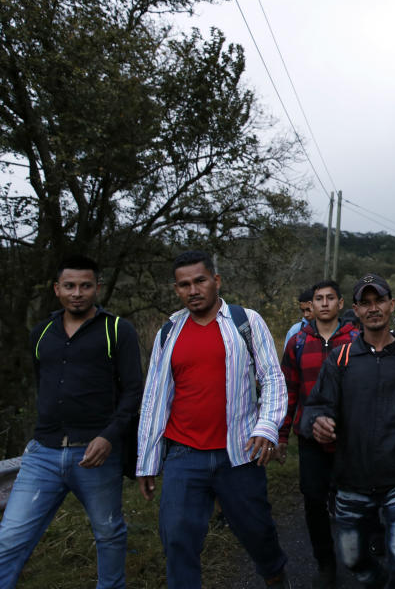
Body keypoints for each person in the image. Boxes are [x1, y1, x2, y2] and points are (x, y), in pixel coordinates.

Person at [136, 250, 291, 588]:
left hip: (239, 454)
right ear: (176, 289)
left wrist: (267, 428)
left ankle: (277, 578)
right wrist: (147, 461)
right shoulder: (168, 332)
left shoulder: (246, 322)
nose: (193, 290)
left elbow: (272, 379)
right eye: (184, 285)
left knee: (258, 534)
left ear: (216, 281)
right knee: (177, 539)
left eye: (200, 281)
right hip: (183, 456)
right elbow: (154, 399)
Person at [0, 255, 142, 589]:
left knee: (108, 533)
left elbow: (134, 391)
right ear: (57, 289)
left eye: (85, 286)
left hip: (96, 455)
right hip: (42, 454)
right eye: (69, 286)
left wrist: (109, 437)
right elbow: (44, 386)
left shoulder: (117, 330)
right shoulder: (42, 332)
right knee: (10, 536)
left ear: (97, 288)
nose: (77, 293)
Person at [302, 274, 395, 588]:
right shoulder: (340, 359)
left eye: (379, 300)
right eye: (365, 303)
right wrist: (318, 422)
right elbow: (316, 406)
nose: (373, 308)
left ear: (391, 304)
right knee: (353, 558)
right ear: (355, 310)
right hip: (351, 479)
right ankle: (377, 581)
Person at [278, 279, 357, 587]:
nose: (324, 303)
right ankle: (325, 563)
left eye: (330, 298)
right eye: (318, 299)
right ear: (310, 306)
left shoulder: (356, 339)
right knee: (313, 501)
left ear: (340, 304)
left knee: (355, 499)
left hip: (350, 439)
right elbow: (289, 392)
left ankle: (363, 553)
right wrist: (282, 436)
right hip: (309, 438)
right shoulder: (297, 342)